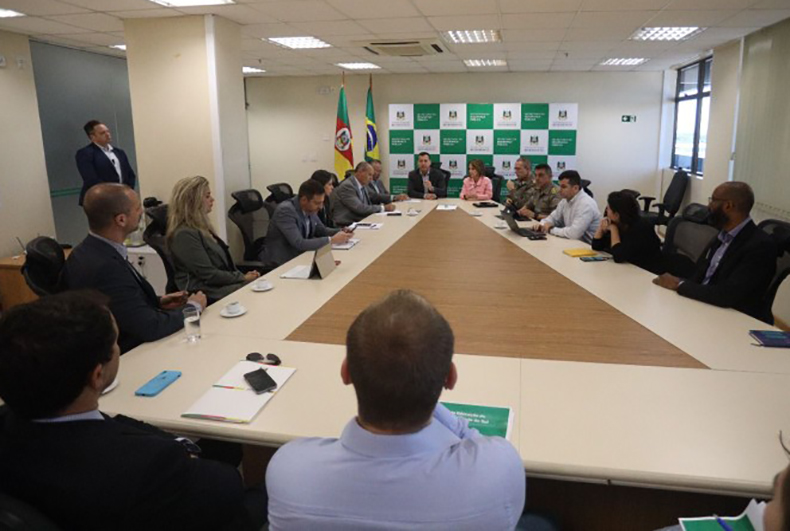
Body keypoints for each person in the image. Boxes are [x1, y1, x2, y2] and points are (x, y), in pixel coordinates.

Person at [0, 292, 267, 531]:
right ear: (97, 375)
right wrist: (183, 454)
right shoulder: (148, 464)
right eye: (115, 343)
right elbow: (229, 487)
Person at [266, 290, 526, 529]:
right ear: (450, 378)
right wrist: (425, 385)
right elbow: (474, 441)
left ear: (346, 372)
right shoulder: (498, 469)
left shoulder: (290, 468)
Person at [63, 183, 206, 354]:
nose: (142, 212)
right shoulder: (105, 267)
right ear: (121, 220)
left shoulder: (88, 251)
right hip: (132, 353)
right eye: (137, 208)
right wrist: (192, 308)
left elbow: (119, 303)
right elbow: (150, 327)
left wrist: (157, 301)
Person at [653, 181, 776, 323]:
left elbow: (727, 295)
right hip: (705, 306)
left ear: (728, 205)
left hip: (732, 319)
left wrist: (679, 285)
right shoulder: (722, 236)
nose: (709, 206)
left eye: (713, 200)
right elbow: (701, 275)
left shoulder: (760, 246)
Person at [168, 176, 259, 303]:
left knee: (258, 287)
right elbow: (209, 275)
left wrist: (242, 277)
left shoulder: (202, 228)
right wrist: (242, 278)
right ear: (193, 201)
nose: (212, 199)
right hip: (204, 292)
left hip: (218, 286)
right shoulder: (184, 235)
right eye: (207, 196)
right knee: (253, 292)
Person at [262, 180, 353, 268]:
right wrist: (331, 240)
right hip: (283, 262)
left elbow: (322, 230)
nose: (321, 207)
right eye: (317, 203)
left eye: (322, 203)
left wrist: (341, 231)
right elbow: (299, 243)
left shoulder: (309, 208)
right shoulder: (286, 211)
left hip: (302, 256)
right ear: (304, 200)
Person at [592, 190, 664, 274]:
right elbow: (596, 246)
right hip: (628, 268)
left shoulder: (640, 227)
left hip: (646, 271)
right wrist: (600, 228)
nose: (606, 211)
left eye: (608, 209)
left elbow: (619, 256)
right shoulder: (617, 223)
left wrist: (614, 230)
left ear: (616, 215)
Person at [76, 120, 137, 205]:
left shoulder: (119, 152)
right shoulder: (86, 153)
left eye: (108, 131)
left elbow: (130, 174)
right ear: (92, 137)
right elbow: (91, 179)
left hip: (122, 197)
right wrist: (112, 194)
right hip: (99, 199)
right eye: (102, 133)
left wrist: (127, 191)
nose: (107, 134)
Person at [536, 170, 601, 243]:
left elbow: (574, 234)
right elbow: (553, 218)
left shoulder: (586, 204)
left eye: (563, 187)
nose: (559, 190)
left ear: (575, 188)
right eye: (559, 186)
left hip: (587, 246)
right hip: (572, 243)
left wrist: (550, 229)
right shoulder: (565, 200)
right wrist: (541, 225)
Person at [331, 162, 395, 227]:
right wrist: (383, 208)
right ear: (360, 172)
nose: (371, 178)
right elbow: (359, 208)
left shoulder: (363, 185)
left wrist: (392, 199)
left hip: (359, 221)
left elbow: (373, 198)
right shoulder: (348, 186)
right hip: (346, 224)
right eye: (369, 175)